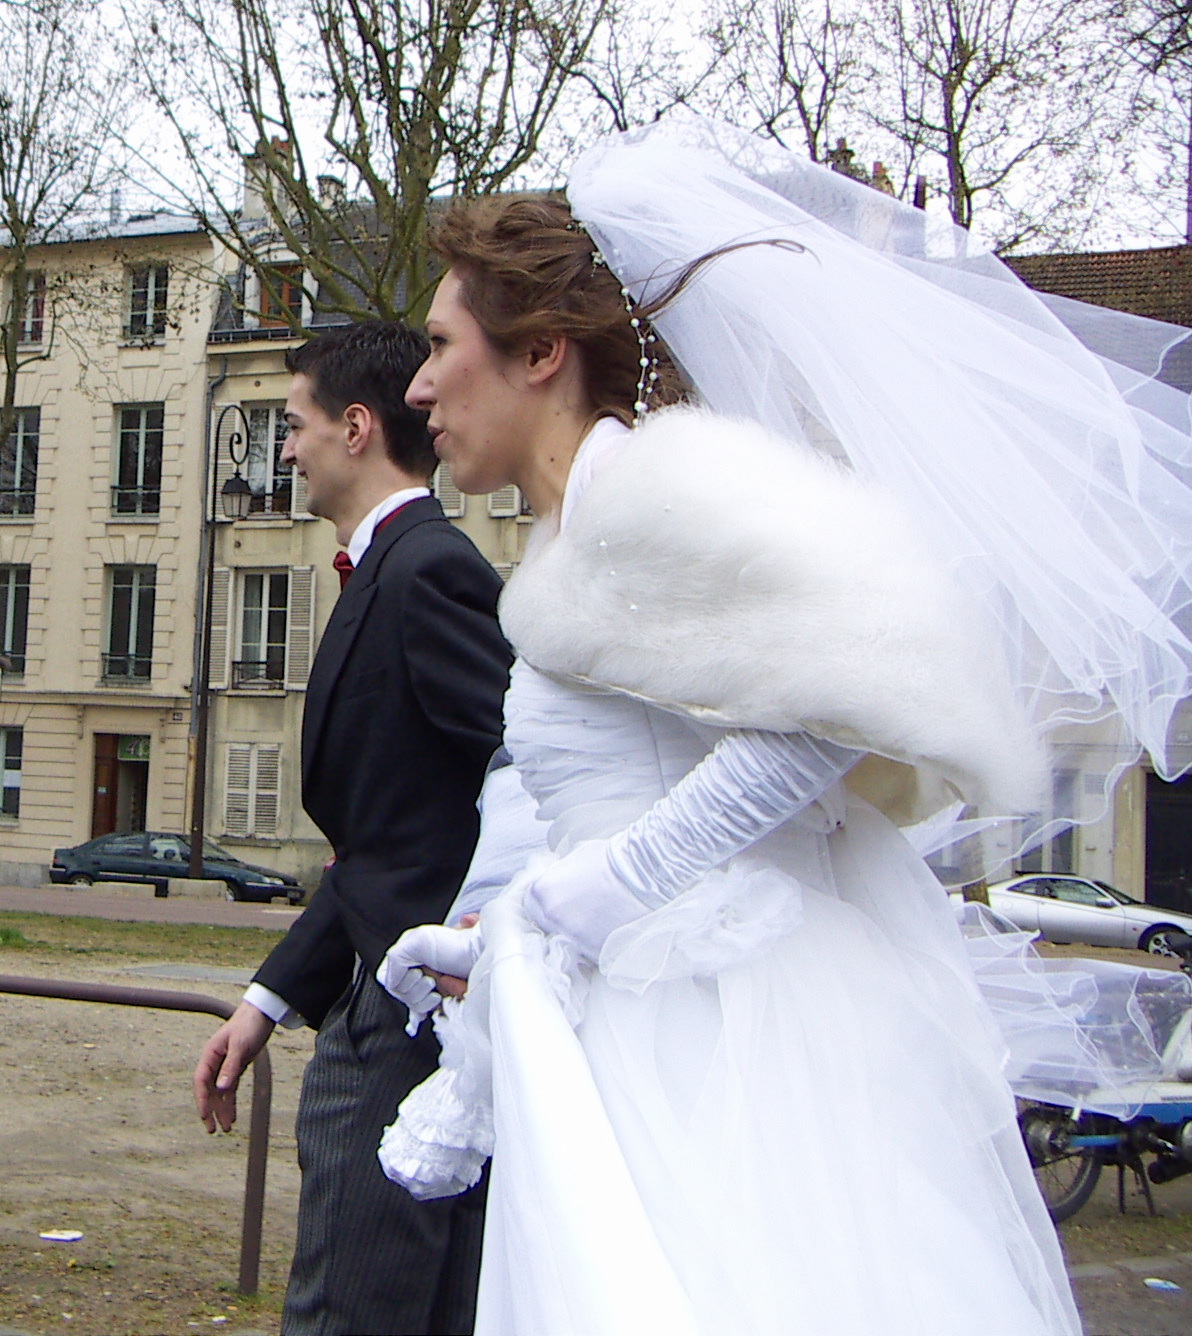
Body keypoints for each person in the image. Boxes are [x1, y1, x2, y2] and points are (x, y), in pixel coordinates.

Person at [369, 117, 1192, 1334]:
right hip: (642, 1010)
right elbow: (624, 786)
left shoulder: (661, 488)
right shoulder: (567, 536)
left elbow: (847, 703)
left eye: (441, 346)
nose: (417, 386)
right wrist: (507, 929)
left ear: (539, 352)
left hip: (729, 1031)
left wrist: (609, 887)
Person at [192, 321, 511, 1335]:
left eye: (295, 426)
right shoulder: (394, 569)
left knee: (354, 1305)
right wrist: (267, 1001)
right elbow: (397, 836)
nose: (285, 450)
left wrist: (482, 934)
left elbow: (527, 768)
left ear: (358, 427)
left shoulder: (428, 571)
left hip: (406, 1010)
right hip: (391, 994)